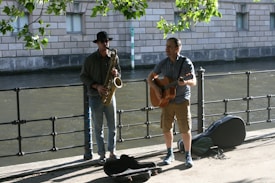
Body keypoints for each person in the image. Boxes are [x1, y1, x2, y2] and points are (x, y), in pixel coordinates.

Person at [147, 37, 196, 168]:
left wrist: (185, 82)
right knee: (166, 128)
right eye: (166, 46)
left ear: (177, 48)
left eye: (169, 47)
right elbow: (150, 78)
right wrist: (157, 88)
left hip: (181, 100)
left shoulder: (186, 63)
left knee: (185, 129)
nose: (166, 49)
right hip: (166, 101)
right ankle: (169, 154)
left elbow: (193, 81)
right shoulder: (163, 63)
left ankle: (188, 155)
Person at [80, 31, 121, 165]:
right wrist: (96, 86)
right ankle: (102, 155)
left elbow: (120, 74)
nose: (105, 44)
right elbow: (83, 77)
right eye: (102, 42)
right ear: (97, 43)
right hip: (95, 96)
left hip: (110, 94)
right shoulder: (90, 59)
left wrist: (116, 74)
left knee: (112, 126)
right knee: (98, 128)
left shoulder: (113, 57)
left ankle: (112, 152)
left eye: (106, 41)